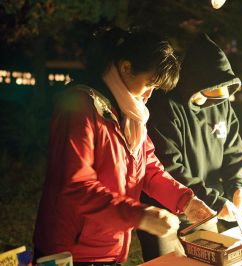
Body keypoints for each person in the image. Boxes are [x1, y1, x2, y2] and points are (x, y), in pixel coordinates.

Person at [33, 27, 215, 265]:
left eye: (156, 88)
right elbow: (78, 184)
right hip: (72, 251)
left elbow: (149, 169)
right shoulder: (80, 107)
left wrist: (186, 201)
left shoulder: (131, 115)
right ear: (126, 67)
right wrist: (140, 215)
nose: (150, 94)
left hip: (112, 245)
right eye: (149, 83)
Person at [137, 33, 242, 261]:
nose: (213, 101)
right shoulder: (165, 106)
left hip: (207, 209)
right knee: (167, 263)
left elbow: (233, 153)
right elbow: (169, 166)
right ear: (193, 81)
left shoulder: (222, 107)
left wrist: (238, 186)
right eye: (208, 92)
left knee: (206, 261)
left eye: (220, 95)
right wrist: (214, 200)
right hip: (165, 210)